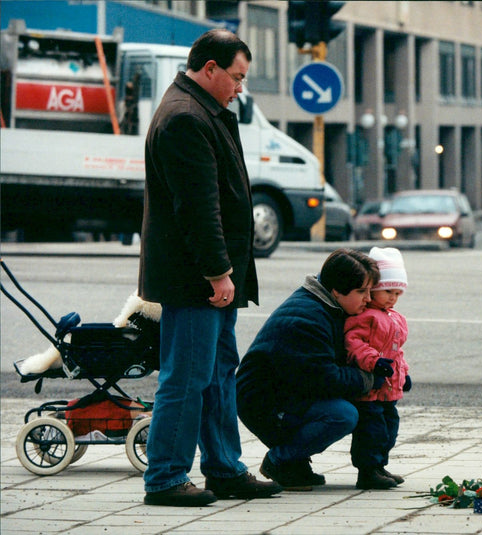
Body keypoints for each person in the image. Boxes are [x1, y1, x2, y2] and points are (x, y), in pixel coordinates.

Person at [138, 29, 281, 507]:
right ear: (211, 68)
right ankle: (165, 478)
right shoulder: (184, 117)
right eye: (236, 77)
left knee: (219, 372)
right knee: (187, 377)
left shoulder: (204, 110)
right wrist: (218, 272)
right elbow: (198, 209)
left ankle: (224, 468)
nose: (240, 87)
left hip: (211, 276)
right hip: (195, 278)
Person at [236, 249, 385, 491]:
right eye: (361, 292)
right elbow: (326, 379)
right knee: (343, 415)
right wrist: (368, 378)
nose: (369, 298)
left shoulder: (327, 305)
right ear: (337, 290)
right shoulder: (308, 319)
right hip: (263, 404)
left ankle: (296, 461)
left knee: (365, 403)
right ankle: (280, 460)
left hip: (288, 393)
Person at [344, 247, 412, 490]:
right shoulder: (365, 317)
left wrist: (403, 373)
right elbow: (354, 343)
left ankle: (380, 465)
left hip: (388, 389)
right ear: (372, 290)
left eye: (397, 293)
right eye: (387, 292)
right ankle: (367, 470)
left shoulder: (394, 317)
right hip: (370, 388)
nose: (392, 298)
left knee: (389, 428)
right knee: (370, 431)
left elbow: (397, 351)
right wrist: (374, 362)